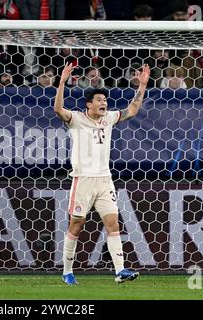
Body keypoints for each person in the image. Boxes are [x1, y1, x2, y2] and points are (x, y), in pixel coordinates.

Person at [53, 62, 151, 285]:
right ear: (89, 104)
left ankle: (120, 270)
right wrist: (61, 82)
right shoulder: (76, 119)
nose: (103, 103)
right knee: (76, 225)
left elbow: (132, 110)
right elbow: (58, 109)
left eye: (105, 100)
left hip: (105, 180)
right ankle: (67, 271)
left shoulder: (109, 119)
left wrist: (142, 85)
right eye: (99, 100)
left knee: (113, 224)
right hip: (83, 179)